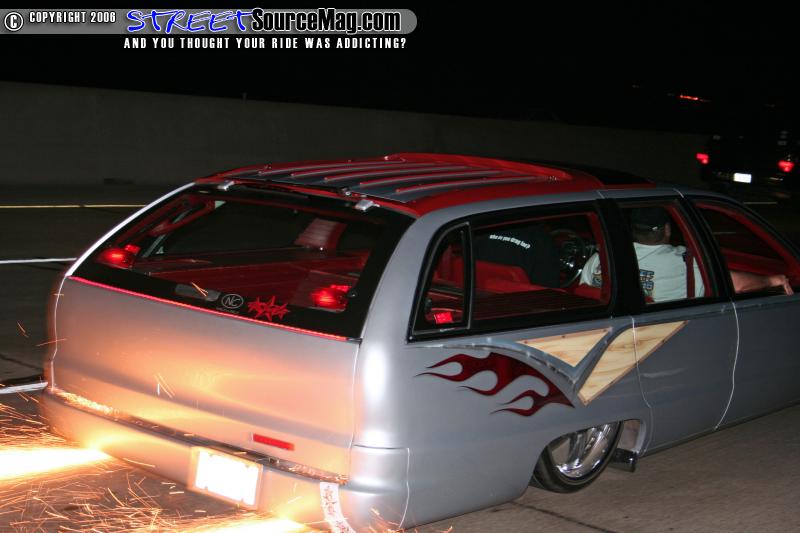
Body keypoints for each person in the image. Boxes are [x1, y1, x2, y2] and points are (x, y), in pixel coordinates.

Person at [580, 207, 793, 301]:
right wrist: (771, 280)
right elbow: (736, 285)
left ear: (633, 230)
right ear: (667, 229)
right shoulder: (684, 263)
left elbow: (585, 291)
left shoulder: (601, 259)